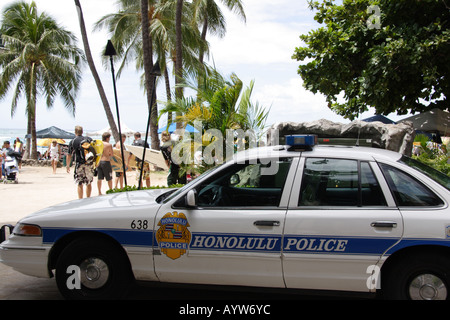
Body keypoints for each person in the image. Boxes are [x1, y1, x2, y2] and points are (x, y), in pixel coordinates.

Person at [66, 125, 96, 199]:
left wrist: (68, 165)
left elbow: (69, 155)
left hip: (79, 164)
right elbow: (96, 151)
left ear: (75, 132)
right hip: (89, 163)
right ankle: (88, 198)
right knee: (89, 182)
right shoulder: (89, 139)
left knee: (80, 183)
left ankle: (80, 199)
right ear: (82, 131)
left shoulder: (73, 141)